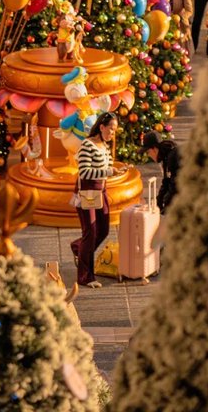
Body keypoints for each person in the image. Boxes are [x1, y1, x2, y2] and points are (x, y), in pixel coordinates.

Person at [71, 112, 120, 288]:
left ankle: (79, 247)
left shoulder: (105, 146)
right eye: (111, 129)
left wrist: (115, 170)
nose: (112, 133)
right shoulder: (87, 145)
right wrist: (108, 172)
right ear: (101, 127)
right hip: (87, 193)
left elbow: (105, 168)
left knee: (104, 230)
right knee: (90, 233)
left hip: (101, 192)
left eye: (114, 130)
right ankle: (85, 276)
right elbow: (84, 172)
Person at [142, 130, 180, 213]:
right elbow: (166, 182)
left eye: (148, 152)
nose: (148, 155)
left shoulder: (173, 157)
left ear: (154, 149)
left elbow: (176, 186)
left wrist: (165, 208)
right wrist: (157, 204)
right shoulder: (166, 157)